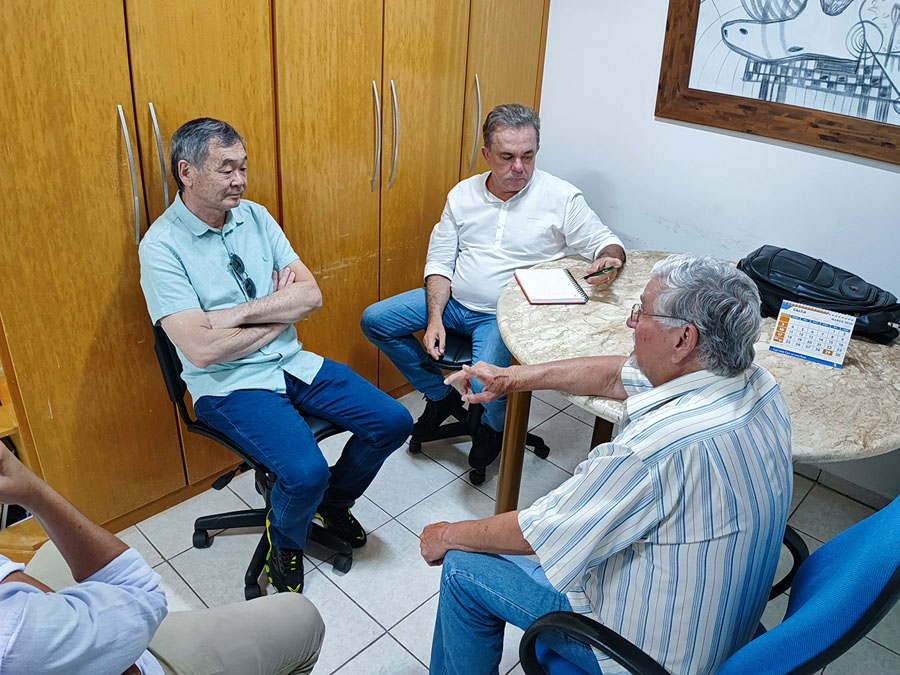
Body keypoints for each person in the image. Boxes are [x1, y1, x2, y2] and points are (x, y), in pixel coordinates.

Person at [420, 254, 793, 675]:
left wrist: (445, 534)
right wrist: (512, 378)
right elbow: (620, 375)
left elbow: (539, 533)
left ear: (684, 339)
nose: (631, 322)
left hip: (646, 657)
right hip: (725, 630)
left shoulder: (654, 450)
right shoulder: (759, 384)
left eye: (642, 312)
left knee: (463, 567)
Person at [139, 118, 412, 594]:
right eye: (226, 169)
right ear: (187, 172)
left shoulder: (257, 217)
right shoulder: (161, 246)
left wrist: (236, 315)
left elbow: (311, 296)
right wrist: (278, 314)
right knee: (304, 472)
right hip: (229, 385)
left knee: (393, 421)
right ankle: (286, 541)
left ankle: (331, 503)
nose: (240, 180)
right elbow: (202, 350)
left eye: (243, 167)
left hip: (292, 362)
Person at [360, 104, 625, 470]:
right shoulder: (462, 195)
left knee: (491, 382)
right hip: (454, 302)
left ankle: (493, 429)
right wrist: (435, 318)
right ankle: (439, 395)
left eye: (528, 156)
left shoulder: (561, 198)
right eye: (507, 157)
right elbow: (439, 262)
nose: (519, 167)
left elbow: (606, 243)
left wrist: (609, 259)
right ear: (486, 154)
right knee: (376, 320)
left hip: (503, 315)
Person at [0, 444, 325, 675]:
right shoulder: (12, 638)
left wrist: (79, 626)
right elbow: (144, 595)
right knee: (303, 615)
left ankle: (332, 506)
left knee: (54, 550)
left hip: (71, 641)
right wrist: (32, 491)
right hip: (133, 649)